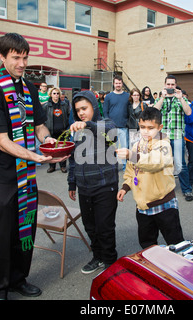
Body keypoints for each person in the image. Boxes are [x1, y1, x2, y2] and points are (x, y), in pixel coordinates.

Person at [0, 33, 68, 300]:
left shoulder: (28, 87)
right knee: (2, 232)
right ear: (2, 56)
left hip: (25, 172)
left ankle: (19, 279)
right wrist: (35, 156)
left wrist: (48, 140)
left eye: (25, 57)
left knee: (25, 225)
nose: (21, 63)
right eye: (16, 57)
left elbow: (39, 124)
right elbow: (2, 141)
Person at [116, 107, 184, 249]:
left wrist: (131, 155)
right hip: (142, 206)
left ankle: (184, 268)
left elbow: (155, 162)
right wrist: (126, 186)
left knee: (176, 242)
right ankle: (151, 267)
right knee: (147, 243)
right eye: (142, 127)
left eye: (150, 128)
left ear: (160, 127)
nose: (146, 131)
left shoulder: (163, 144)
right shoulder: (136, 146)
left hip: (164, 204)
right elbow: (130, 170)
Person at [68, 90, 119, 274]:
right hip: (84, 187)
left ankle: (110, 261)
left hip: (106, 186)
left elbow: (111, 134)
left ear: (93, 107)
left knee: (105, 227)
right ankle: (98, 257)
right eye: (78, 110)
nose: (81, 113)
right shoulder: (76, 130)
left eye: (84, 108)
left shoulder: (106, 123)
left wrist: (88, 124)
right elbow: (73, 160)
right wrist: (72, 183)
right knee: (90, 227)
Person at [153, 75, 193, 201]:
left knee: (180, 163)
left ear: (175, 85)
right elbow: (154, 111)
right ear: (165, 85)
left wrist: (181, 98)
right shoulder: (161, 98)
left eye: (172, 84)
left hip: (177, 136)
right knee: (163, 163)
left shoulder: (180, 99)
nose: (170, 86)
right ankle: (164, 190)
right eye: (168, 84)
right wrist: (162, 97)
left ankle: (187, 190)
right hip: (163, 136)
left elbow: (189, 112)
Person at [103, 75, 129, 169]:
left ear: (122, 84)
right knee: (112, 148)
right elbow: (105, 112)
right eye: (116, 83)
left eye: (120, 83)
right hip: (112, 127)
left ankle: (125, 167)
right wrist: (108, 124)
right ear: (113, 84)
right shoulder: (109, 97)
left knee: (124, 148)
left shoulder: (127, 96)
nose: (118, 85)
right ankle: (113, 167)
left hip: (123, 126)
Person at [43, 86, 69, 173]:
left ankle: (63, 166)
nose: (56, 95)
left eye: (58, 93)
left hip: (62, 131)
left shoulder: (64, 105)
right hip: (51, 132)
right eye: (54, 93)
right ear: (50, 94)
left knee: (62, 150)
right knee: (52, 150)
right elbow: (43, 119)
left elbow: (69, 116)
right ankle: (52, 166)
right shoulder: (46, 106)